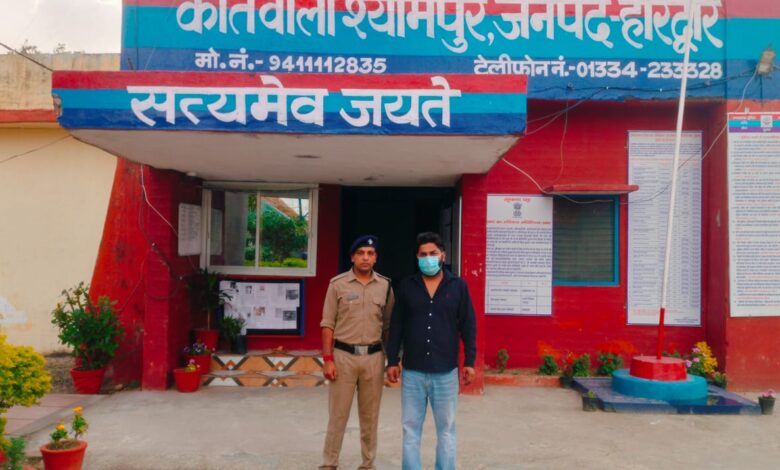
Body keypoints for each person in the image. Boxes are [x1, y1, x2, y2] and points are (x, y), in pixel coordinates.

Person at [386, 232, 476, 470]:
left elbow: (468, 325)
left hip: (445, 373)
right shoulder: (407, 286)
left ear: (442, 255)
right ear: (417, 258)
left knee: (446, 430)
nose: (428, 258)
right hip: (413, 372)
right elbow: (397, 325)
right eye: (423, 254)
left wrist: (470, 361)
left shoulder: (458, 287)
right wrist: (392, 360)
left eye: (433, 253)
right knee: (410, 429)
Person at [319, 235, 394, 470]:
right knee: (338, 416)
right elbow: (327, 324)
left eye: (370, 254)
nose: (365, 258)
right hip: (344, 357)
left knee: (370, 418)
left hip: (373, 358)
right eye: (360, 253)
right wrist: (328, 359)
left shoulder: (385, 286)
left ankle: (368, 464)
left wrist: (393, 360)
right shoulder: (337, 284)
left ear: (376, 258)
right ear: (352, 257)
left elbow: (388, 326)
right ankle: (329, 464)